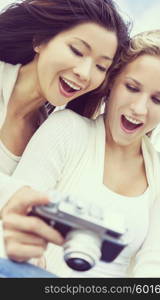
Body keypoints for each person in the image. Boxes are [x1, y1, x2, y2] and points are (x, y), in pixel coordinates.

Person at [1, 29, 160, 278]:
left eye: (158, 99)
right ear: (112, 83)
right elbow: (19, 216)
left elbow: (159, 270)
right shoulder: (67, 129)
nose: (139, 109)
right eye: (131, 87)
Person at [0, 0, 130, 232]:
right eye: (77, 51)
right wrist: (17, 196)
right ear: (40, 41)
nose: (85, 73)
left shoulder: (52, 134)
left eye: (101, 67)